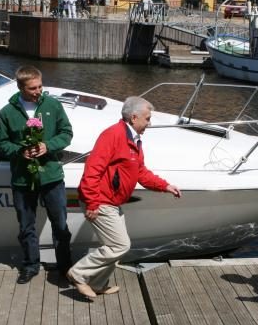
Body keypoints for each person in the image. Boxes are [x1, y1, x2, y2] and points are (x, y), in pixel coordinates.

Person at [68, 96, 182, 298]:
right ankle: (79, 274)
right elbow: (92, 170)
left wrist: (165, 186)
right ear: (134, 117)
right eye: (147, 118)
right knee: (119, 245)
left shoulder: (134, 140)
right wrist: (92, 202)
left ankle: (97, 283)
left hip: (112, 201)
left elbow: (141, 172)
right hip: (100, 200)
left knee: (117, 246)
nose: (149, 123)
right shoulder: (113, 135)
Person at [0, 66, 73, 284]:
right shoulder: (7, 112)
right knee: (26, 225)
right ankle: (30, 265)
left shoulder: (52, 105)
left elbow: (66, 133)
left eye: (40, 86)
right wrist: (20, 150)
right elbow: (0, 145)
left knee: (60, 225)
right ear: (20, 87)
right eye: (32, 88)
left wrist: (48, 145)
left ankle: (65, 267)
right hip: (23, 179)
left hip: (51, 176)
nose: (38, 91)